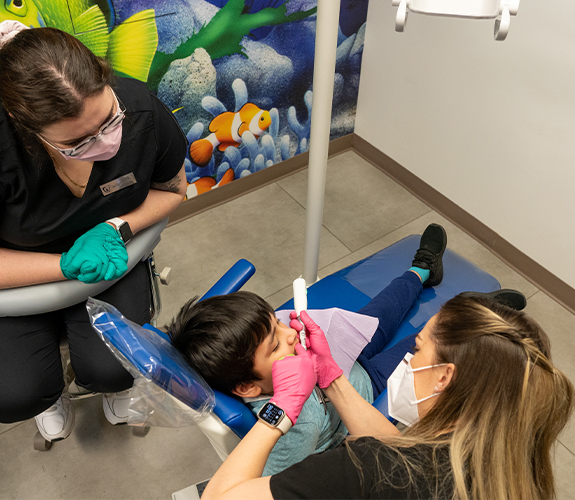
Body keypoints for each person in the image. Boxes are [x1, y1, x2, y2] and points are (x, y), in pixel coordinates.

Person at [169, 223, 525, 474]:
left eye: (277, 322)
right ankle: (472, 312)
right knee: (427, 343)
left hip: (340, 352)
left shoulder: (264, 360)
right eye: (276, 342)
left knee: (384, 307)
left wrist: (291, 338)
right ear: (248, 387)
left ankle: (422, 270)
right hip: (366, 384)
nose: (290, 332)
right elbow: (273, 480)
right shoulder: (296, 425)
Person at [0, 23, 188, 443]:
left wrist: (116, 228)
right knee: (14, 394)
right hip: (17, 276)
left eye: (109, 121)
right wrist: (64, 266)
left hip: (111, 260)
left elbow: (174, 189)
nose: (106, 143)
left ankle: (112, 387)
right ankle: (49, 396)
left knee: (115, 368)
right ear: (22, 124)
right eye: (77, 142)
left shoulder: (140, 107)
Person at [201, 290, 575, 500]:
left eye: (418, 347)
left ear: (445, 376)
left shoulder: (368, 469)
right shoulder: (509, 456)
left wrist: (281, 410)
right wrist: (331, 377)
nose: (410, 358)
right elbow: (403, 452)